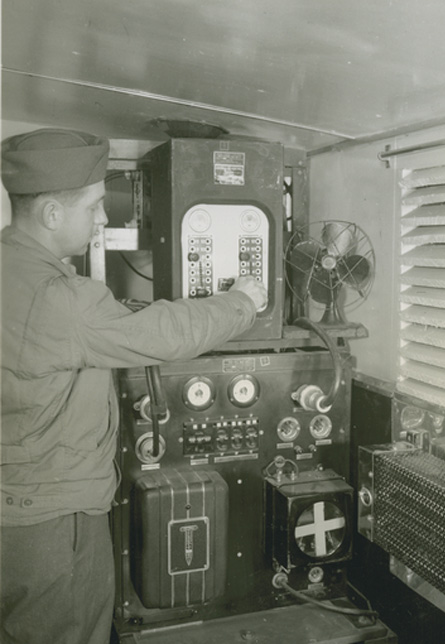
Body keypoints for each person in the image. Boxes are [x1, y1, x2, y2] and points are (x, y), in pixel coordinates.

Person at [0, 128, 267, 644]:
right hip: (56, 523)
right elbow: (163, 335)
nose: (102, 220)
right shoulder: (62, 298)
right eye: (95, 206)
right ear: (53, 214)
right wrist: (243, 301)